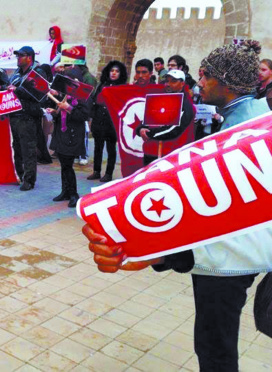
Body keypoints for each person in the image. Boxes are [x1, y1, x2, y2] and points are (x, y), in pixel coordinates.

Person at [85, 40, 270, 372]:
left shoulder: (240, 135)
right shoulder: (258, 120)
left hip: (227, 264)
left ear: (224, 82)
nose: (199, 83)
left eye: (205, 76)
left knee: (214, 345)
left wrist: (159, 248)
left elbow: (228, 218)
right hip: (235, 257)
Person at [7, 46, 48, 191]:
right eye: (17, 56)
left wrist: (17, 90)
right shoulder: (16, 74)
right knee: (17, 148)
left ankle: (29, 180)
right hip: (15, 115)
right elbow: (10, 89)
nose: (18, 58)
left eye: (21, 56)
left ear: (29, 57)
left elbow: (37, 94)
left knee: (28, 149)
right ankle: (20, 175)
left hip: (28, 116)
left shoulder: (37, 73)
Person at [136, 69, 195, 166]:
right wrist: (140, 129)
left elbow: (175, 129)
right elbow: (147, 120)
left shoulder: (186, 104)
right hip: (151, 152)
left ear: (182, 83)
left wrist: (149, 134)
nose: (168, 84)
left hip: (171, 155)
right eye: (167, 81)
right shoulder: (160, 99)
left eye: (173, 81)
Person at [87, 60, 128, 182]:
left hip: (112, 121)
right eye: (112, 71)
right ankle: (96, 171)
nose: (114, 73)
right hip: (99, 119)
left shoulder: (122, 87)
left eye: (116, 71)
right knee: (97, 147)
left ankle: (109, 173)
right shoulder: (102, 85)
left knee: (111, 149)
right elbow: (95, 102)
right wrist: (92, 118)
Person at [47, 93, 90, 207]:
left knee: (68, 166)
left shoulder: (80, 99)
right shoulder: (63, 96)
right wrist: (54, 112)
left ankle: (73, 194)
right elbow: (61, 116)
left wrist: (68, 107)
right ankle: (65, 191)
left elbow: (84, 116)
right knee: (64, 165)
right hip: (61, 135)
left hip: (72, 137)